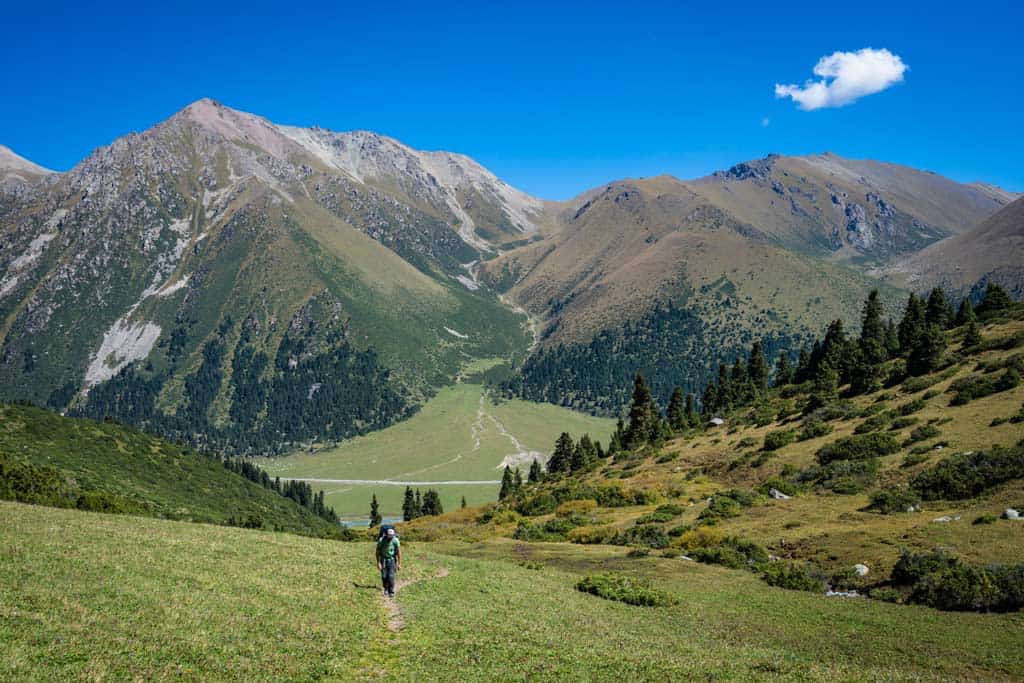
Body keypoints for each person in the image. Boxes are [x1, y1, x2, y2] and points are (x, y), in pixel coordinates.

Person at [376, 527, 402, 598]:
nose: (390, 537)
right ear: (386, 535)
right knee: (384, 576)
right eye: (389, 536)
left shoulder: (395, 540)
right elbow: (377, 552)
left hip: (392, 560)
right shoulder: (381, 540)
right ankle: (386, 588)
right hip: (383, 560)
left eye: (392, 536)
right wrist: (378, 563)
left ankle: (391, 591)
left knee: (391, 576)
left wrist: (399, 564)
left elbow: (399, 552)